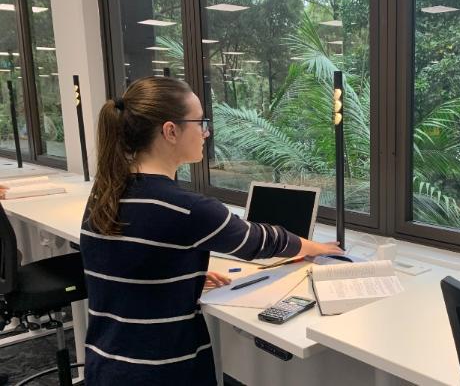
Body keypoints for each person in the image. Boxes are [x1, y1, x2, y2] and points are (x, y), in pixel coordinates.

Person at [79, 76, 342, 385]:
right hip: (162, 372)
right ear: (170, 131)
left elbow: (123, 259)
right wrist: (317, 248)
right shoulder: (187, 208)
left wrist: (178, 275)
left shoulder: (105, 192)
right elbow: (259, 241)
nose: (206, 132)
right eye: (200, 122)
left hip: (104, 366)